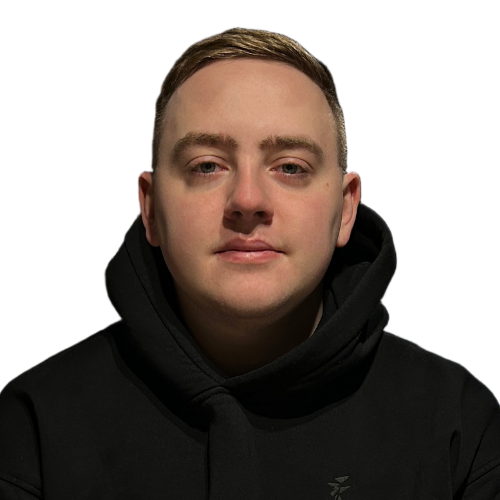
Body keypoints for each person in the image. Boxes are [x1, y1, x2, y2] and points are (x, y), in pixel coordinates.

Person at [0, 26, 498, 499]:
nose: (247, 200)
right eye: (207, 166)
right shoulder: (35, 428)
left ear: (345, 209)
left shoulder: (459, 428)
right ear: (150, 209)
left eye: (291, 167)